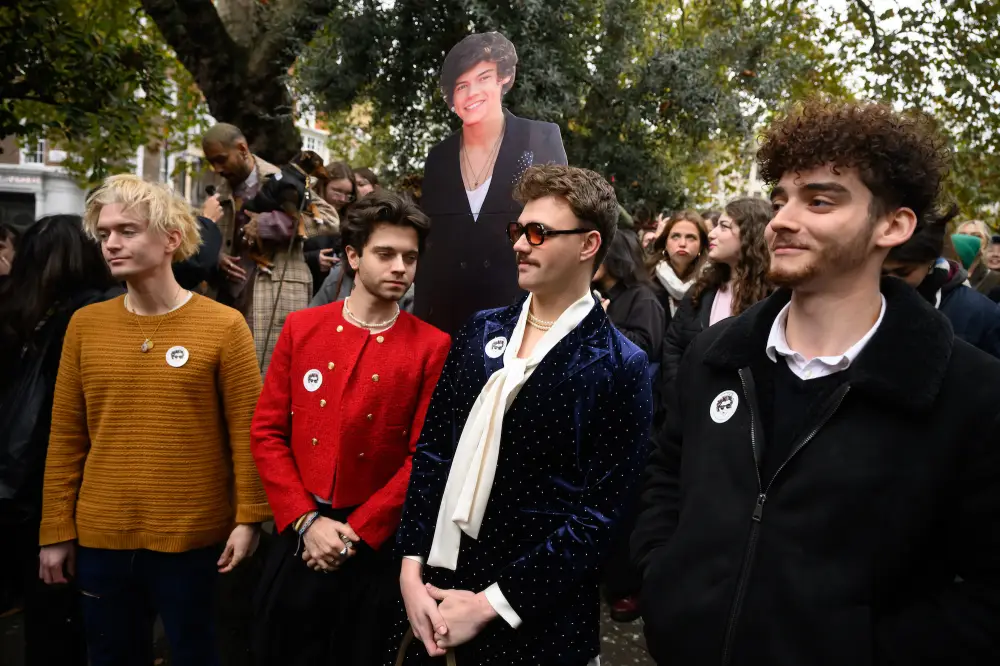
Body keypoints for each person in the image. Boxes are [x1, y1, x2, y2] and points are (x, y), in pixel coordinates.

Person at [632, 99, 1000, 666]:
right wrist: (664, 580)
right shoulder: (716, 355)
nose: (781, 219)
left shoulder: (970, 393)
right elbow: (665, 477)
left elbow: (984, 595)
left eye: (820, 200)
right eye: (780, 198)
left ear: (893, 225)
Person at [393, 165, 652, 665]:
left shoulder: (621, 365)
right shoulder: (480, 330)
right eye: (518, 229)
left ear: (588, 244)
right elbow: (434, 450)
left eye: (539, 232)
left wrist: (490, 604)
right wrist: (410, 566)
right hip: (436, 589)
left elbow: (600, 518)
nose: (519, 244)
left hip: (536, 619)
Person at [37, 175, 271, 666]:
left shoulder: (223, 325)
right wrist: (55, 529)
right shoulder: (86, 325)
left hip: (194, 538)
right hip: (102, 536)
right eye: (104, 233)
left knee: (197, 655)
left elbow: (247, 430)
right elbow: (67, 437)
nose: (111, 243)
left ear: (170, 239)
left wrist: (250, 518)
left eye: (127, 230)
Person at [251, 191, 450, 665]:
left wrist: (355, 532)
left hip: (372, 544)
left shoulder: (430, 346)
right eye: (386, 254)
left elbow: (425, 455)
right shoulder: (303, 328)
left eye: (410, 257)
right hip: (299, 533)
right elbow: (267, 432)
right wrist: (306, 520)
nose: (400, 267)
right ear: (354, 257)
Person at [0, 215, 119, 666]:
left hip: (18, 489)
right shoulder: (95, 316)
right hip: (64, 488)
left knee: (44, 618)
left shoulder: (17, 312)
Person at [415, 31, 568, 336]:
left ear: (503, 78)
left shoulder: (540, 138)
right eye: (462, 85)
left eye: (483, 78)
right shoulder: (439, 157)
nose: (472, 92)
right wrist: (420, 328)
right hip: (448, 323)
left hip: (521, 317)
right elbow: (428, 251)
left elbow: (560, 229)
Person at [201, 122, 339, 373]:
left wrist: (268, 224)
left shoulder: (283, 177)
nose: (216, 169)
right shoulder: (218, 194)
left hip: (276, 297)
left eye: (221, 159)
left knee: (273, 378)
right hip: (228, 302)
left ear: (242, 149)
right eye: (211, 162)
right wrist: (217, 256)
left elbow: (330, 220)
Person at [660, 197, 773, 393]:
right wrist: (679, 395)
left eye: (724, 226)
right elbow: (673, 346)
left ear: (750, 234)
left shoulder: (773, 298)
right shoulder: (702, 290)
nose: (712, 234)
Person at [883, 217, 1000, 358]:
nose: (891, 279)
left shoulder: (983, 310)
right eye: (882, 272)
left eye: (903, 272)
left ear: (931, 261)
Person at [593, 229, 665, 359]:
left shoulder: (643, 298)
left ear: (616, 256)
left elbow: (644, 349)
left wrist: (604, 324)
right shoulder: (591, 293)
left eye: (598, 253)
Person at [647, 210, 709, 322]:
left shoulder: (710, 283)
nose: (682, 244)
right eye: (675, 236)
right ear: (665, 242)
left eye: (691, 237)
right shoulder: (647, 279)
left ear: (701, 245)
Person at [305, 161, 355, 296]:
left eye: (348, 194)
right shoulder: (306, 211)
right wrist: (313, 258)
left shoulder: (350, 218)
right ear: (323, 185)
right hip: (307, 288)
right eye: (337, 191)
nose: (342, 199)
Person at [954, 219, 1000, 301]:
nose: (968, 239)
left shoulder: (995, 279)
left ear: (986, 243)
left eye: (976, 236)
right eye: (963, 235)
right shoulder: (942, 271)